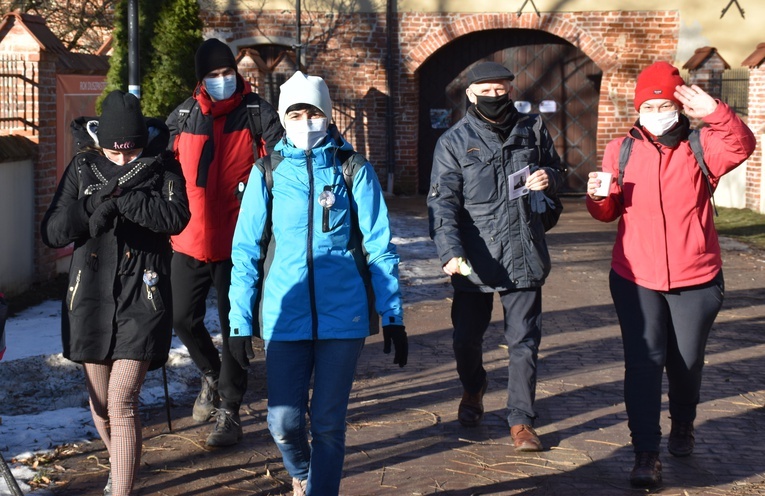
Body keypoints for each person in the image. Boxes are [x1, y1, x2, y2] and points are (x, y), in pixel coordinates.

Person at [228, 71, 408, 496]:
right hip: (283, 315)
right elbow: (246, 251)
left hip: (341, 317)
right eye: (296, 113)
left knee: (328, 422)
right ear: (284, 118)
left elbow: (380, 248)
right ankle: (304, 473)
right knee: (283, 420)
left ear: (326, 116)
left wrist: (393, 314)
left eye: (313, 112)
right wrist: (239, 322)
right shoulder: (266, 173)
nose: (305, 120)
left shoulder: (353, 170)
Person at [585, 61, 756, 488]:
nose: (656, 109)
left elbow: (743, 144)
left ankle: (683, 422)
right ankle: (646, 453)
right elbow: (607, 212)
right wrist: (597, 200)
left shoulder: (701, 146)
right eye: (650, 103)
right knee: (644, 363)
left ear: (678, 107)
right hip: (635, 276)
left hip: (695, 277)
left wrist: (715, 111)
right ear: (639, 107)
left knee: (686, 364)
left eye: (665, 103)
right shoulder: (619, 149)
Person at [41, 90, 191, 496]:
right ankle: (118, 465)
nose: (123, 160)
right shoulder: (82, 166)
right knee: (102, 402)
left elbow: (176, 217)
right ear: (100, 143)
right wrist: (89, 210)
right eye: (114, 152)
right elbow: (52, 230)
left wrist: (127, 200)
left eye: (131, 152)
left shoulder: (163, 166)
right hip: (88, 299)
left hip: (144, 296)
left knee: (122, 399)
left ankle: (121, 489)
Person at [427, 61, 565, 452]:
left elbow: (558, 172)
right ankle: (474, 387)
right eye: (485, 91)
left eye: (500, 89)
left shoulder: (532, 129)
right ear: (470, 94)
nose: (494, 96)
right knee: (465, 341)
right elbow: (443, 204)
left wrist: (548, 178)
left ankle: (521, 420)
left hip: (523, 253)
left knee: (524, 342)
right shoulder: (454, 142)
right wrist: (450, 252)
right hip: (474, 258)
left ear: (509, 90)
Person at [166, 38, 283, 446]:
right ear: (201, 80)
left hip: (239, 243)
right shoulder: (181, 117)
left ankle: (229, 410)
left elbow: (280, 167)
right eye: (212, 76)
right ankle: (211, 375)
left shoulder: (258, 113)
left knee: (237, 327)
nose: (221, 81)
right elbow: (164, 173)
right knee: (181, 317)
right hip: (189, 239)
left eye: (226, 73)